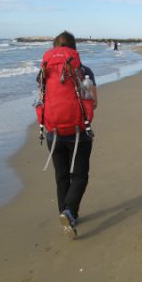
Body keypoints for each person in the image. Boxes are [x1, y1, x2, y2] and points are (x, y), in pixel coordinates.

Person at [39, 31, 98, 239]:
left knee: (61, 176)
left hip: (52, 132)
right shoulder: (84, 71)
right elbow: (94, 102)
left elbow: (43, 98)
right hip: (79, 131)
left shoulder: (44, 71)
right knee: (80, 176)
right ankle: (69, 212)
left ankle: (67, 217)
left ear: (54, 48)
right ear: (74, 49)